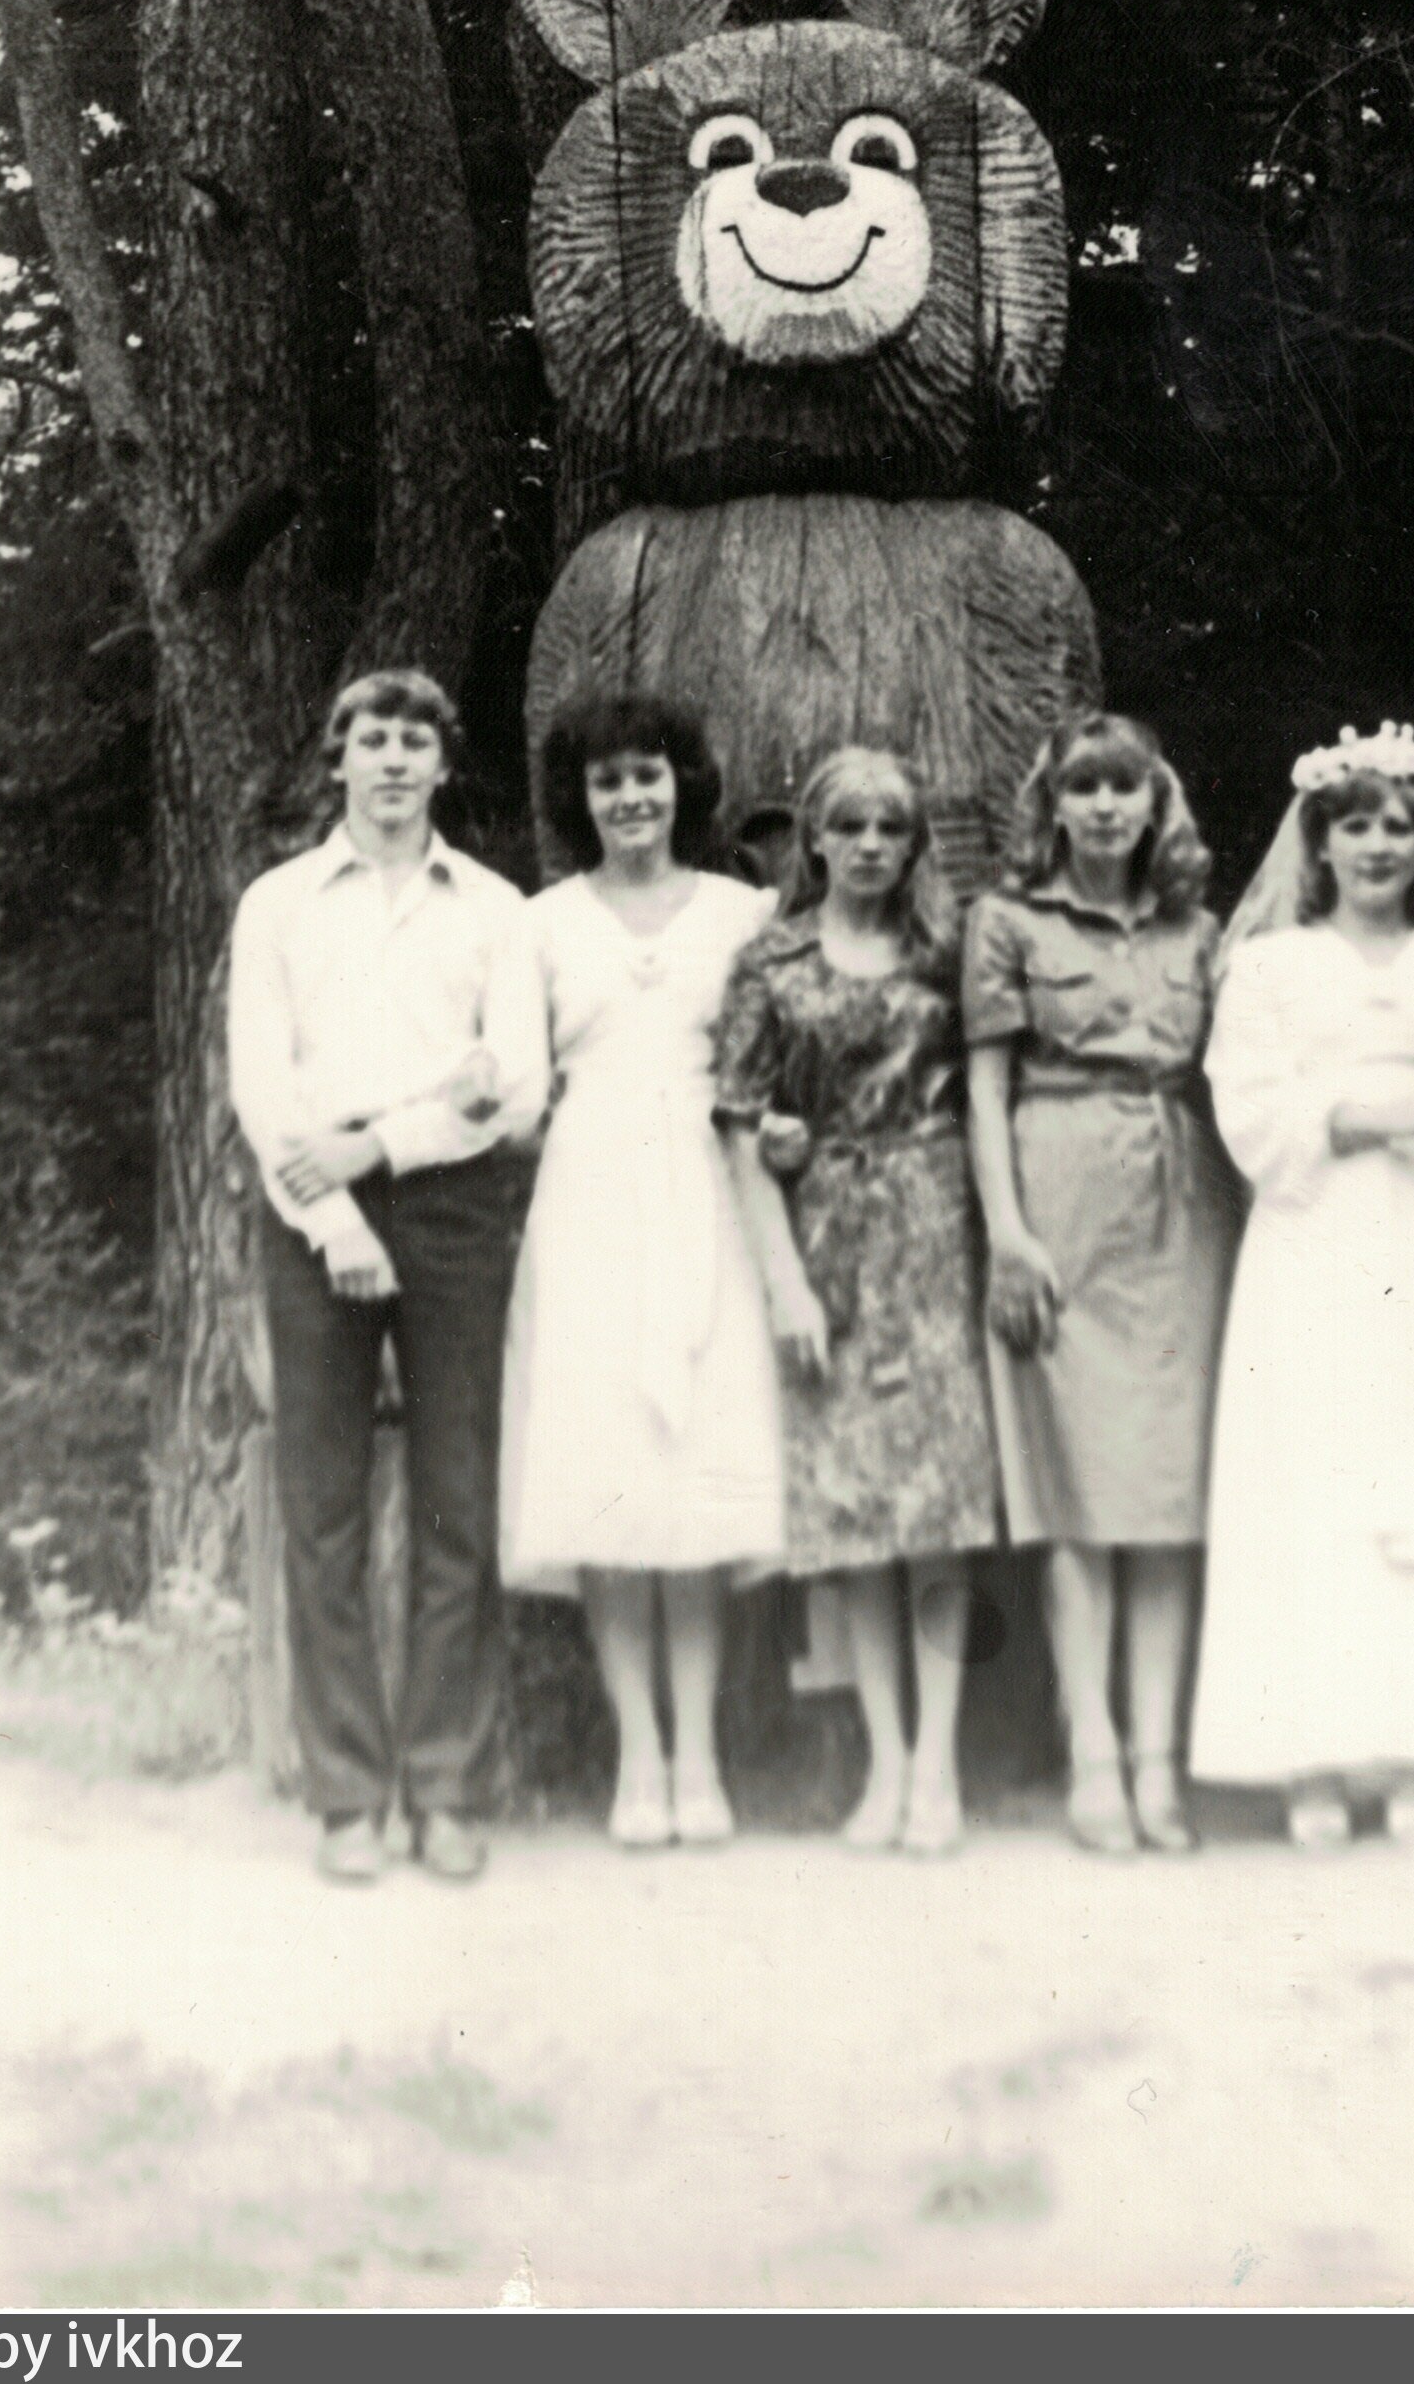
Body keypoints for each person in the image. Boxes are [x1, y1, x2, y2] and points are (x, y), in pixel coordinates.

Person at [1194, 726, 1414, 1847]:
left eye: (1401, 825)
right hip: (1317, 1228)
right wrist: (1365, 1114)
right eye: (1356, 825)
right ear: (1320, 842)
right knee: (1315, 1479)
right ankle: (1311, 1755)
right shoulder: (1270, 966)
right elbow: (1246, 1104)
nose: (1380, 845)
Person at [224, 668, 546, 1886]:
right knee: (324, 1510)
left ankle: (447, 1788)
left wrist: (384, 1144)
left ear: (444, 764)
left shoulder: (496, 909)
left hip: (455, 1210)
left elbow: (513, 1087)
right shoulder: (279, 905)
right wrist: (335, 1216)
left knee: (460, 1500)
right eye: (374, 739)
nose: (396, 759)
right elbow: (264, 1086)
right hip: (310, 1209)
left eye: (417, 740)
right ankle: (349, 1795)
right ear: (340, 758)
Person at [499, 688, 786, 1851]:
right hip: (588, 1202)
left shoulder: (744, 912)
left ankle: (701, 1757)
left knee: (696, 1470)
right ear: (581, 798)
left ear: (682, 785)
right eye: (607, 779)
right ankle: (640, 1757)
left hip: (712, 1191)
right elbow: (517, 1093)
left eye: (647, 774)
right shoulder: (541, 923)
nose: (629, 796)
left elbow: (773, 1062)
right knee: (608, 1474)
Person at [715, 747, 1007, 1856]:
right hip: (826, 1235)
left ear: (915, 841)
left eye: (893, 827)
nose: (873, 846)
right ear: (816, 839)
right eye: (851, 826)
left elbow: (989, 1094)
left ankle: (940, 1764)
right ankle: (885, 1758)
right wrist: (784, 1280)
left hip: (934, 1228)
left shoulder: (947, 951)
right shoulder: (771, 960)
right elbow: (742, 1126)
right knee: (852, 1510)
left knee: (938, 1509)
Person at [963, 716, 1244, 1857]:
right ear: (1054, 803)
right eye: (1084, 787)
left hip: (1182, 1204)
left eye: (1126, 786)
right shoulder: (1007, 922)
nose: (1106, 807)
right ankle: (1092, 1759)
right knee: (1077, 1496)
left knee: (1170, 1500)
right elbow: (985, 1089)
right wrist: (1008, 1233)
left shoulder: (1199, 930)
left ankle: (1157, 1764)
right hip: (1060, 1196)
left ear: (1156, 800)